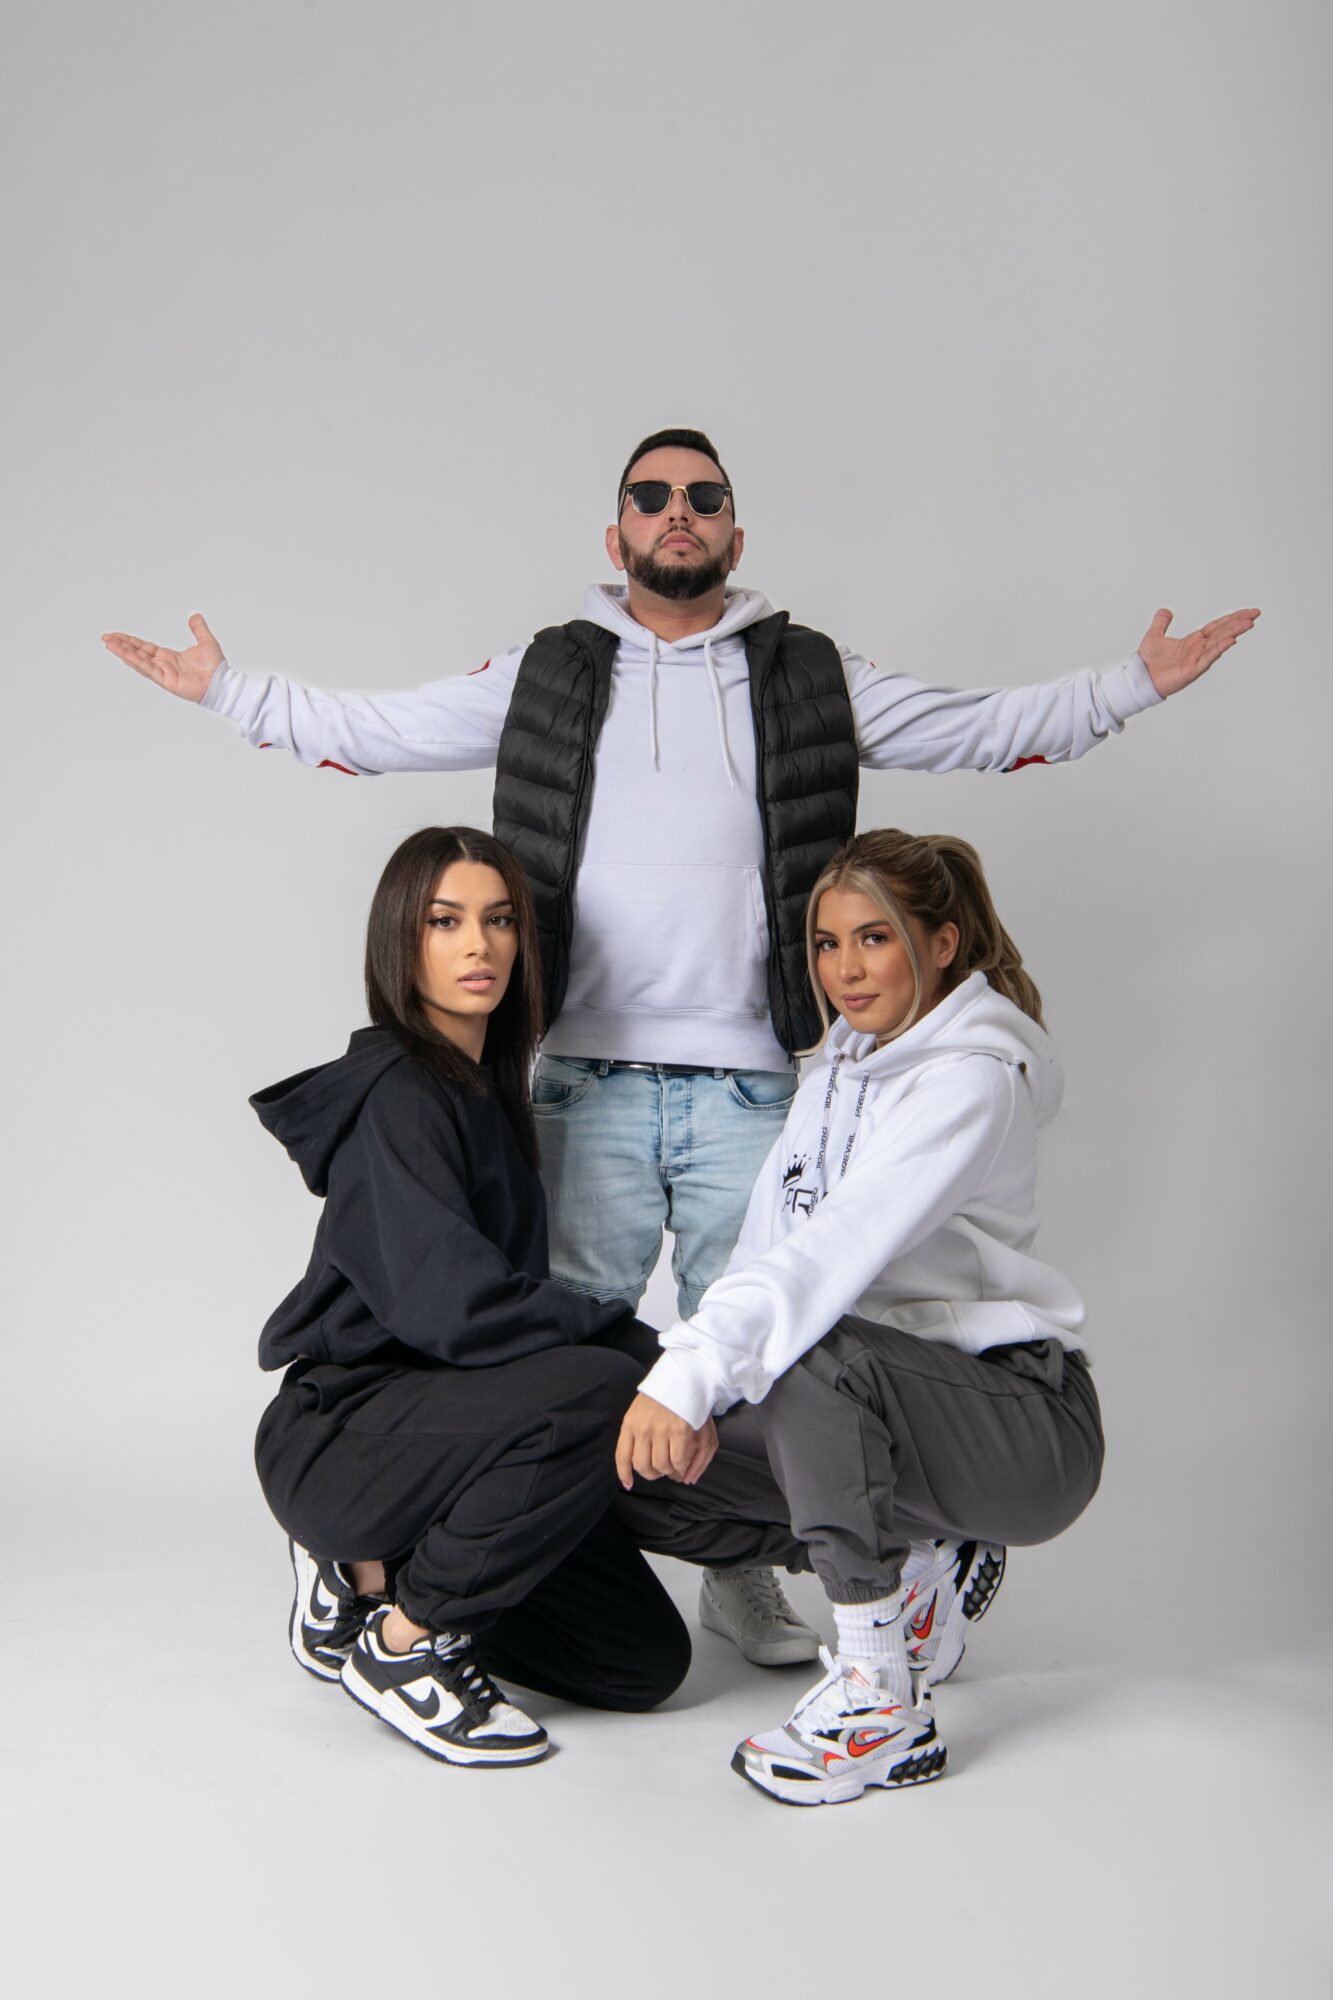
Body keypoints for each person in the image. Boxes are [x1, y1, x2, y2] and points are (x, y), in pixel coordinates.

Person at [103, 427, 1254, 1664]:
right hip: (583, 1073)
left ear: (733, 534)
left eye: (703, 497)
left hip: (751, 1077)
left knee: (755, 1350)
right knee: (557, 1348)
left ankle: (737, 1573)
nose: (677, 512)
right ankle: (478, 1563)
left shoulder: (806, 673)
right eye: (650, 497)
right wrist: (232, 693)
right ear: (617, 536)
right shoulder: (548, 672)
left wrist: (1127, 687)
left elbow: (971, 725)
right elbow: (386, 727)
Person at [614, 829, 1104, 1806]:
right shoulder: (834, 1070)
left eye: (873, 938)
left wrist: (700, 1367)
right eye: (827, 943)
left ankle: (880, 1698)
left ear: (942, 943)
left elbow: (831, 1254)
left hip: (1020, 1424)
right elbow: (767, 1247)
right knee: (631, 1460)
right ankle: (922, 1555)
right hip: (884, 1409)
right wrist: (697, 1381)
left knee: (805, 1353)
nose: (844, 969)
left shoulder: (970, 1078)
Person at [252, 824, 694, 1767]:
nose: (478, 945)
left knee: (637, 1662)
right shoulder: (399, 1094)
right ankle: (403, 1645)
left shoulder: (485, 1090)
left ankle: (382, 1576)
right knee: (599, 1386)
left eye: (499, 921)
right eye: (444, 921)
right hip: (347, 1437)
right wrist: (647, 1353)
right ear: (399, 939)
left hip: (452, 1434)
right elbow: (454, 1306)